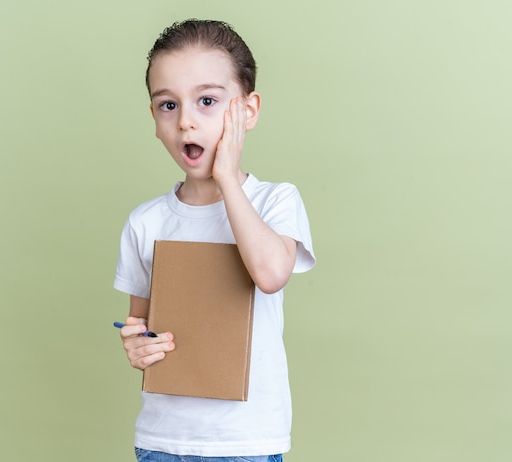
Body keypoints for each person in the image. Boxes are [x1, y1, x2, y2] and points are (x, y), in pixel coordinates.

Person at [113, 19, 316, 462]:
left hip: (247, 443)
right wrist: (137, 345)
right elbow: (139, 323)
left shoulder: (274, 201)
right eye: (168, 105)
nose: (186, 121)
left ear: (247, 111)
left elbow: (270, 274)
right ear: (155, 118)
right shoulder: (146, 222)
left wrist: (227, 177)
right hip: (162, 442)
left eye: (207, 101)